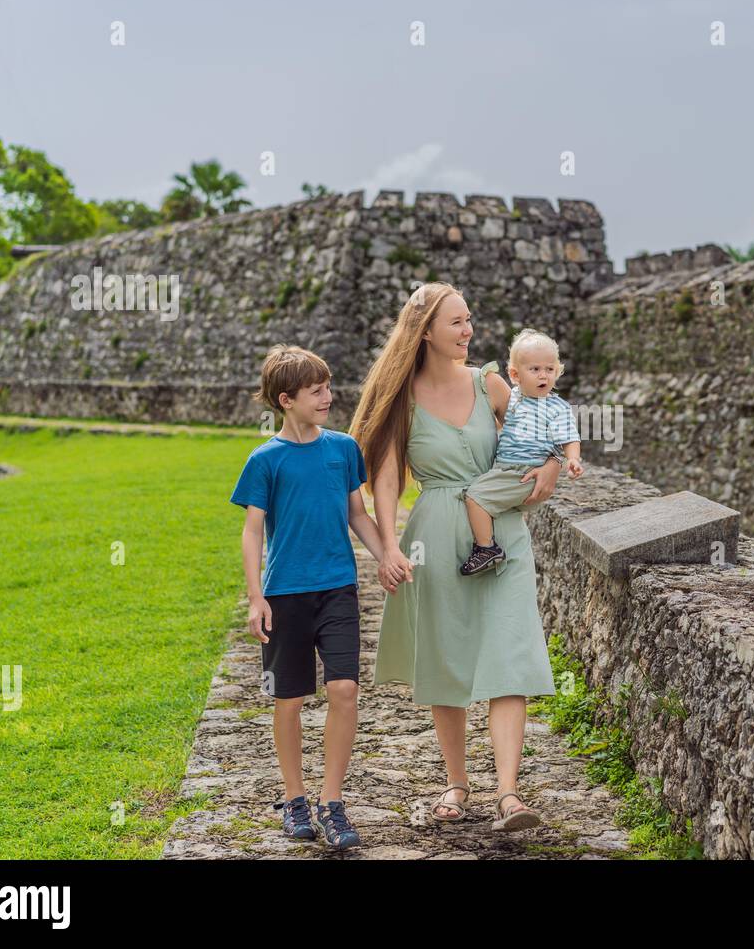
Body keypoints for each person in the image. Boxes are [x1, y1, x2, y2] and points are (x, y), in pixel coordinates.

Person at [352, 281, 562, 831]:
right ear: (425, 332)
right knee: (445, 660)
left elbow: (537, 429)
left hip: (501, 532)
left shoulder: (491, 381)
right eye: (456, 323)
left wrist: (552, 467)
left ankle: (510, 794)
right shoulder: (401, 398)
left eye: (470, 319)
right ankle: (457, 783)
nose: (468, 330)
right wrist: (390, 546)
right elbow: (389, 476)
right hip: (434, 536)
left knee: (509, 652)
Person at [229, 344, 386, 850]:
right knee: (289, 698)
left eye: (327, 386)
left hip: (338, 589)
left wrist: (386, 554)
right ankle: (295, 797)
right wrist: (256, 598)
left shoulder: (343, 449)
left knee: (344, 691)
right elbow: (253, 532)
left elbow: (357, 514)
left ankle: (332, 801)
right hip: (285, 596)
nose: (328, 396)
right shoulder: (264, 460)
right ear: (286, 398)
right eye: (316, 390)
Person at [458, 327, 584, 576]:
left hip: (525, 472)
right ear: (515, 375)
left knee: (474, 497)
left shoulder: (556, 407)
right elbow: (499, 424)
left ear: (557, 372)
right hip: (506, 469)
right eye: (535, 369)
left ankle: (486, 548)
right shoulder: (513, 397)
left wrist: (572, 459)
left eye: (550, 369)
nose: (543, 375)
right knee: (484, 499)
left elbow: (569, 437)